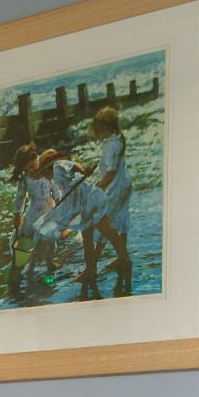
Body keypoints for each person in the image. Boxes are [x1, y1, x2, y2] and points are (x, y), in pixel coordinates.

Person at [8, 142, 84, 304]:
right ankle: (24, 268)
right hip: (34, 214)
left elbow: (55, 191)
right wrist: (17, 214)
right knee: (29, 241)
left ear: (37, 158)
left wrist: (59, 202)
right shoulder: (25, 179)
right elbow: (20, 198)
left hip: (49, 210)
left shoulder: (47, 172)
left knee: (50, 241)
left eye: (33, 165)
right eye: (27, 168)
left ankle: (49, 263)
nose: (31, 170)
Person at [78, 104, 134, 299]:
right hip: (123, 184)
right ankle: (117, 259)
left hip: (113, 188)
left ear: (105, 128)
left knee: (102, 225)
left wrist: (97, 187)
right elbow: (111, 168)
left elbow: (109, 174)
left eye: (98, 129)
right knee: (115, 222)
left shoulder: (110, 145)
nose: (97, 133)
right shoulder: (116, 139)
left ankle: (104, 264)